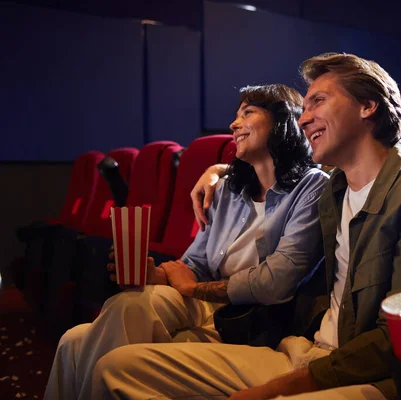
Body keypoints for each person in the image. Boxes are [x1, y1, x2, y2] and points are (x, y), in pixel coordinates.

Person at [90, 53, 401, 399]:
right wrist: (221, 171)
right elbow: (275, 177)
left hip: (366, 375)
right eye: (303, 109)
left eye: (318, 101)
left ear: (368, 105)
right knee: (119, 366)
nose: (304, 119)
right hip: (304, 349)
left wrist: (284, 385)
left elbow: (397, 341)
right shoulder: (334, 189)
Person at [44, 84, 329, 400]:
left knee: (78, 342)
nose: (234, 124)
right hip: (205, 302)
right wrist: (159, 276)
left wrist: (190, 288)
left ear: (281, 123)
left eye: (247, 113)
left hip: (253, 318)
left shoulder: (312, 187)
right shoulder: (227, 191)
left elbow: (276, 283)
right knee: (123, 305)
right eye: (236, 115)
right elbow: (193, 264)